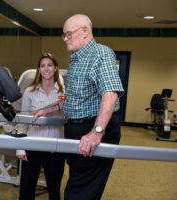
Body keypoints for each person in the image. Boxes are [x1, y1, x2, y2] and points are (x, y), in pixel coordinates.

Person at [33, 14, 124, 200]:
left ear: (84, 31)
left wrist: (96, 132)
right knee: (77, 179)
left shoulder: (101, 53)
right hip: (75, 128)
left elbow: (110, 93)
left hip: (93, 127)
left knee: (79, 190)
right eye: (64, 35)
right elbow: (72, 95)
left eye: (68, 34)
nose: (65, 38)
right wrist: (48, 109)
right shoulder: (76, 59)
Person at [16, 53, 65, 200]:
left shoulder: (63, 92)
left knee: (54, 189)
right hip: (33, 146)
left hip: (55, 147)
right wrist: (20, 147)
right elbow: (23, 122)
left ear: (55, 68)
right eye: (42, 66)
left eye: (50, 65)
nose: (46, 68)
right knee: (26, 189)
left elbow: (67, 111)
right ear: (39, 69)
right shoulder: (30, 92)